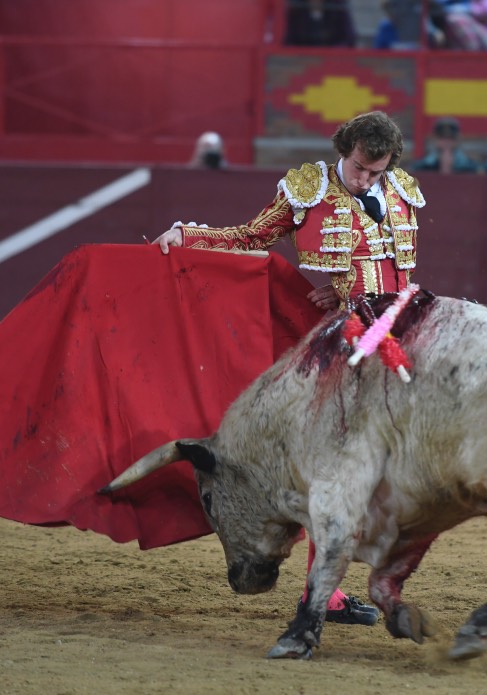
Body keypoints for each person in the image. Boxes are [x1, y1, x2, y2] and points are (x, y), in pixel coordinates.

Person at [151, 111, 426, 624]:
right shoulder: (308, 189)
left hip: (393, 332)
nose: (367, 179)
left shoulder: (401, 190)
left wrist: (345, 288)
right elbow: (253, 236)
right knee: (340, 468)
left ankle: (328, 586)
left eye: (376, 172)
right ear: (344, 150)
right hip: (341, 345)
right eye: (361, 169)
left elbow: (399, 273)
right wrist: (189, 236)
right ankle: (317, 586)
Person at [411, 116, 480, 173]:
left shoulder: (470, 167)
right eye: (442, 137)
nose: (447, 141)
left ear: (458, 140)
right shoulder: (421, 167)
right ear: (435, 139)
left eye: (451, 138)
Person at [284, 0, 357, 47]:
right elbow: (289, 40)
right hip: (301, 61)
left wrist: (332, 53)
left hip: (332, 60)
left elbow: (349, 38)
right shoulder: (295, 9)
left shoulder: (338, 6)